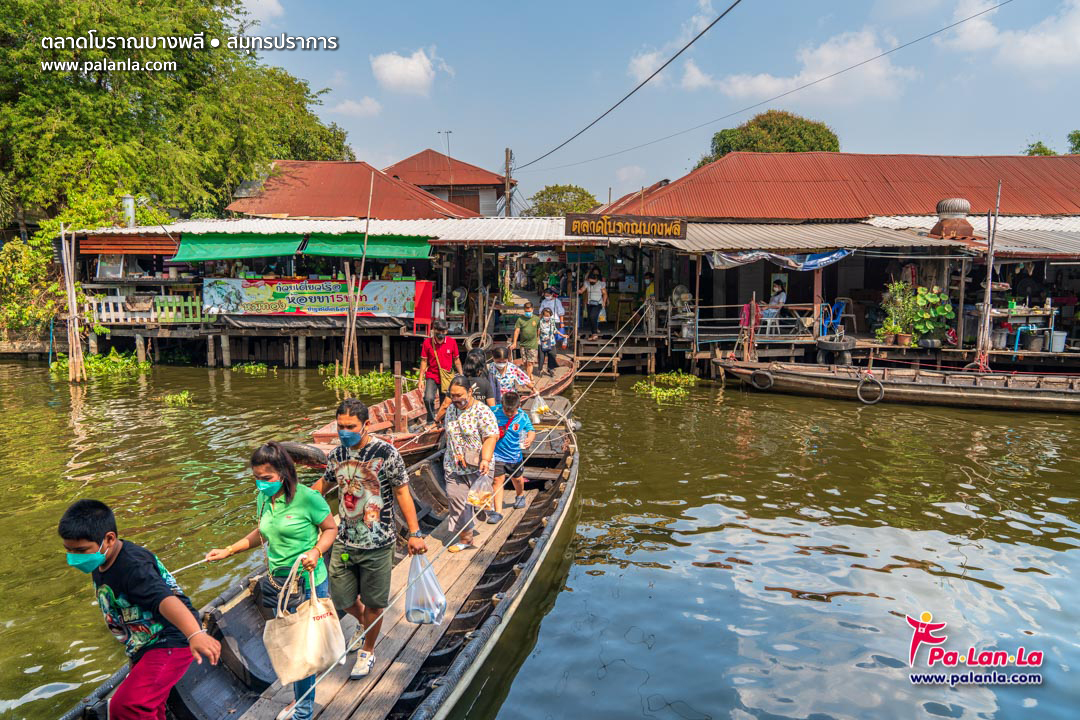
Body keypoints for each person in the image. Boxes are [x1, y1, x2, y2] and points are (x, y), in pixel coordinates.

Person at [206, 443, 337, 720]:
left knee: (303, 650)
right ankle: (301, 697)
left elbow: (329, 528)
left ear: (284, 473)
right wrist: (229, 550)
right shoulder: (264, 499)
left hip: (308, 581)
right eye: (256, 478)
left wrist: (316, 551)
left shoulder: (307, 498)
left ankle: (303, 709)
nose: (261, 484)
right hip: (279, 583)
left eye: (266, 478)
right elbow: (262, 533)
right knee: (289, 643)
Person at [59, 500, 221, 720]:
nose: (74, 558)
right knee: (151, 707)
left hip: (170, 639)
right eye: (68, 550)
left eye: (80, 551)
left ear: (109, 539)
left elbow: (166, 600)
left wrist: (195, 634)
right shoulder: (102, 560)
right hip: (145, 644)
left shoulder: (133, 567)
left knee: (127, 706)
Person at [311, 398, 427, 680]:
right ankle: (365, 623)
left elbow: (402, 492)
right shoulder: (338, 454)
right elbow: (322, 487)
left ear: (366, 425)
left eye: (350, 426)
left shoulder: (386, 453)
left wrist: (414, 532)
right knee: (341, 597)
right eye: (340, 426)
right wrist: (296, 506)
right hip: (345, 541)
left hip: (378, 542)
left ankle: (368, 649)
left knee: (375, 603)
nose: (344, 431)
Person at [442, 375, 500, 553]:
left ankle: (480, 511)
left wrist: (485, 459)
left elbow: (491, 436)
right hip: (453, 464)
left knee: (478, 502)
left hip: (478, 464)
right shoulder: (451, 410)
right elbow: (448, 434)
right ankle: (466, 539)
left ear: (470, 391)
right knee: (455, 498)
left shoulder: (482, 411)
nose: (456, 399)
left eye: (459, 395)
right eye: (452, 395)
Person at [488, 390, 536, 522]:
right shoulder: (493, 411)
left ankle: (520, 495)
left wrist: (530, 439)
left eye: (512, 412)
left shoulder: (522, 416)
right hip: (496, 454)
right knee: (497, 481)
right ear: (501, 405)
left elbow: (531, 430)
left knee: (518, 479)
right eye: (506, 411)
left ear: (518, 407)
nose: (509, 414)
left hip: (514, 455)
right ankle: (497, 512)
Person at [418, 319, 462, 423]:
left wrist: (461, 374)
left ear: (446, 331)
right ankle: (430, 420)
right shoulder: (427, 343)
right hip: (432, 375)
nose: (440, 334)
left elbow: (456, 359)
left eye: (443, 332)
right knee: (428, 398)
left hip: (446, 377)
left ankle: (443, 421)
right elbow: (424, 361)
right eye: (438, 331)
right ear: (434, 330)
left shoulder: (452, 342)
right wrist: (420, 379)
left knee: (445, 401)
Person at [511, 301, 541, 380]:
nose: (528, 313)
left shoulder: (537, 319)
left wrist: (537, 339)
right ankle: (529, 374)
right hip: (523, 344)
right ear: (524, 310)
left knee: (530, 362)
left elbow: (538, 330)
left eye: (529, 311)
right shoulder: (520, 319)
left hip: (533, 344)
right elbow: (517, 331)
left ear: (533, 310)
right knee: (525, 362)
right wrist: (514, 343)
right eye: (526, 311)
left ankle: (528, 378)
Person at [578, 270, 607, 340]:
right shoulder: (587, 283)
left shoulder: (601, 284)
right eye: (590, 281)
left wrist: (604, 302)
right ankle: (593, 332)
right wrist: (578, 291)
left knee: (593, 316)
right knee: (590, 318)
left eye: (593, 281)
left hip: (598, 303)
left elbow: (605, 293)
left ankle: (594, 334)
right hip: (589, 303)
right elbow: (582, 290)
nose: (591, 283)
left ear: (596, 279)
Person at [537, 307, 565, 377]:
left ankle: (550, 369)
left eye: (548, 315)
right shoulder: (540, 322)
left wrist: (562, 335)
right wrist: (536, 339)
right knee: (541, 357)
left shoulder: (552, 321)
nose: (547, 317)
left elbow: (555, 330)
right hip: (542, 342)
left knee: (552, 356)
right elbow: (538, 331)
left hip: (551, 342)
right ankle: (540, 370)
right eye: (545, 315)